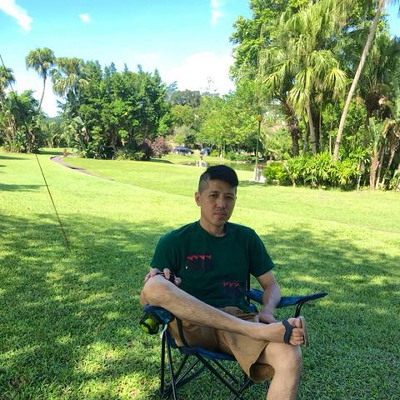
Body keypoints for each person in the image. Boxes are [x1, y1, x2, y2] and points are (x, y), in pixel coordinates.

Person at [140, 165, 307, 400]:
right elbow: (146, 299)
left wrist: (268, 311)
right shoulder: (173, 241)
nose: (221, 204)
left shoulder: (246, 238)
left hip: (239, 318)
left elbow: (271, 285)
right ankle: (255, 330)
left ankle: (255, 329)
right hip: (191, 325)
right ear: (198, 198)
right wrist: (167, 283)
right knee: (154, 285)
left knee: (290, 354)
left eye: (229, 197)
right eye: (214, 196)